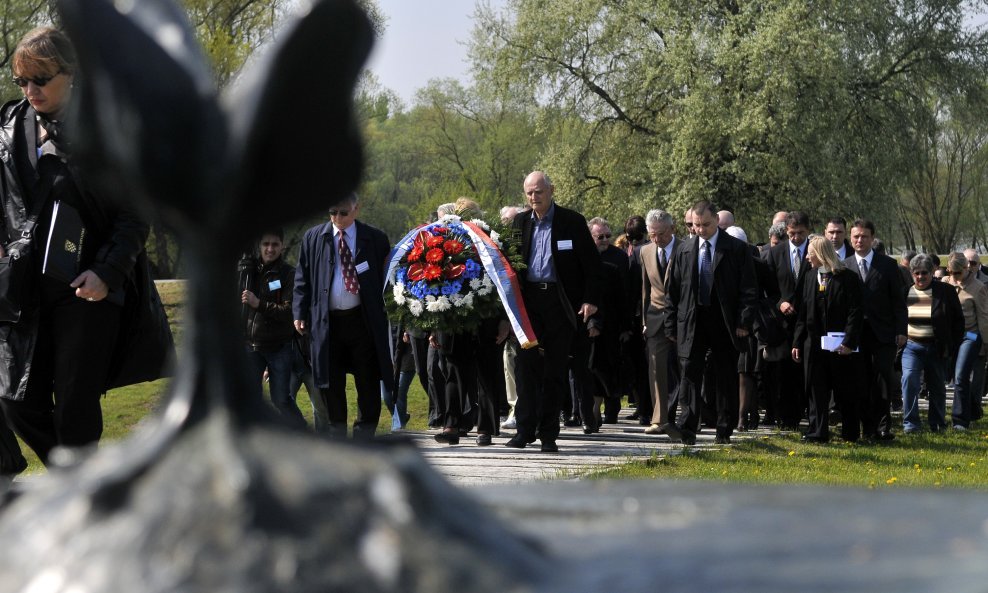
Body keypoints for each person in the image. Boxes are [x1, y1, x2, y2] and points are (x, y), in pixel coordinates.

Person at [0, 27, 150, 466]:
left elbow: (136, 213)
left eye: (40, 80)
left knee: (75, 408)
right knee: (15, 399)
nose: (30, 90)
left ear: (71, 73)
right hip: (23, 289)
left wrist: (107, 272)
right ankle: (82, 479)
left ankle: (83, 495)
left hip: (86, 290)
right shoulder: (10, 127)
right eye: (21, 81)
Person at [506, 171, 602, 452]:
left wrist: (590, 300)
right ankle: (524, 431)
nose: (534, 198)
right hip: (528, 305)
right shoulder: (519, 223)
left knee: (555, 371)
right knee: (524, 368)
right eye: (529, 193)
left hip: (560, 305)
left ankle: (548, 434)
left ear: (551, 191)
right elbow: (509, 266)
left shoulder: (571, 222)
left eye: (539, 192)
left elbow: (593, 267)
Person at [293, 193, 392, 440]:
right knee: (331, 383)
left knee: (368, 381)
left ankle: (363, 436)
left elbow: (388, 279)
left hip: (363, 322)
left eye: (343, 213)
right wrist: (299, 312)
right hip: (327, 323)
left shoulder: (375, 238)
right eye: (332, 212)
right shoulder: (314, 237)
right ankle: (337, 433)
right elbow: (302, 279)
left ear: (356, 209)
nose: (337, 218)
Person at [664, 200, 757, 445]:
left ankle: (724, 430)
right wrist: (671, 325)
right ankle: (688, 428)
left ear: (716, 219)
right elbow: (672, 291)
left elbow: (748, 289)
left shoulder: (736, 249)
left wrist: (744, 322)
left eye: (706, 224)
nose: (701, 229)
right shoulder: (684, 249)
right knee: (690, 375)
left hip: (724, 321)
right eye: (696, 225)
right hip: (692, 321)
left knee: (725, 375)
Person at [791, 236, 864, 443]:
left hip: (840, 344)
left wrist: (849, 342)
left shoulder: (847, 278)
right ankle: (818, 431)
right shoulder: (810, 276)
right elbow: (803, 313)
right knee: (816, 388)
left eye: (810, 253)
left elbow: (855, 312)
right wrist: (797, 342)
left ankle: (850, 433)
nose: (806, 257)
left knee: (845, 389)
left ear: (821, 254)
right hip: (813, 344)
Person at [845, 219, 906, 440]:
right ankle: (866, 426)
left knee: (882, 377)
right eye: (856, 237)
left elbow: (898, 301)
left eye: (864, 236)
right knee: (861, 379)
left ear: (872, 238)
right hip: (856, 333)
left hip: (883, 332)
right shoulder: (845, 265)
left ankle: (883, 426)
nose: (859, 240)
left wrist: (901, 330)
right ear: (850, 239)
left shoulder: (888, 265)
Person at [240, 230, 306, 429]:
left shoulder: (288, 274)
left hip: (279, 348)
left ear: (282, 246)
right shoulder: (248, 271)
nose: (270, 249)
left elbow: (288, 311)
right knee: (250, 398)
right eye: (266, 244)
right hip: (251, 346)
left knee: (281, 400)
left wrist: (258, 303)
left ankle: (301, 432)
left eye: (275, 244)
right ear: (259, 246)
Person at [900, 254, 963, 433]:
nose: (920, 277)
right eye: (916, 273)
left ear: (932, 272)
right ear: (912, 273)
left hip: (936, 347)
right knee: (910, 381)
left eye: (924, 273)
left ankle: (937, 424)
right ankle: (911, 424)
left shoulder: (946, 292)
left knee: (937, 387)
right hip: (911, 347)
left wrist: (952, 345)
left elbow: (958, 321)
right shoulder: (904, 292)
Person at [765, 211, 812, 430]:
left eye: (800, 233)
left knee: (808, 369)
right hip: (784, 321)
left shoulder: (814, 252)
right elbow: (769, 289)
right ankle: (787, 418)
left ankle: (809, 413)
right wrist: (780, 303)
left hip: (810, 319)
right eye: (792, 233)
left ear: (808, 231)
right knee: (784, 372)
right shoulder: (776, 254)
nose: (796, 238)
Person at [639, 209, 682, 439]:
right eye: (653, 235)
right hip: (656, 319)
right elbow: (645, 289)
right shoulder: (645, 251)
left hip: (682, 319)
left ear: (672, 229)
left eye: (662, 234)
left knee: (684, 370)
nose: (657, 239)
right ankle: (660, 419)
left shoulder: (685, 248)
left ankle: (687, 416)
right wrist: (645, 320)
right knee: (656, 371)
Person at [944, 252, 988, 430]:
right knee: (952, 376)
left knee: (961, 376)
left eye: (958, 274)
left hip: (970, 335)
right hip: (951, 336)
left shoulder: (978, 288)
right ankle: (974, 408)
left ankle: (960, 420)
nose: (955, 278)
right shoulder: (945, 284)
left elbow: (983, 318)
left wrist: (986, 344)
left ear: (966, 268)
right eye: (951, 273)